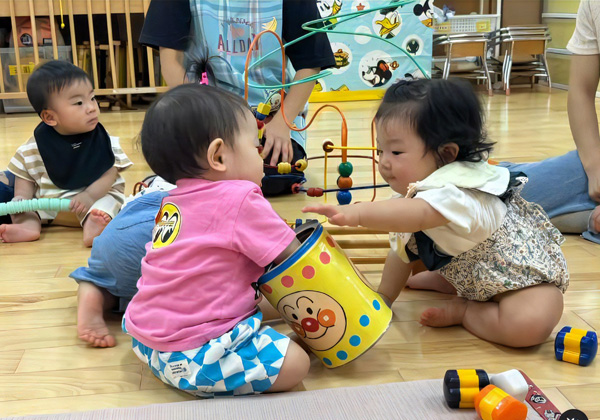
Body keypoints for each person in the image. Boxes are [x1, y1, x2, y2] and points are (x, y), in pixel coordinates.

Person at [303, 78, 569, 348]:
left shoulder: (460, 195)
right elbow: (401, 252)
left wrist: (358, 214)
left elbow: (417, 214)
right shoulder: (419, 196)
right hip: (477, 271)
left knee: (530, 325)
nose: (383, 162)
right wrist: (383, 298)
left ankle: (465, 310)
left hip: (523, 282)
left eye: (396, 151)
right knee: (408, 242)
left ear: (447, 154)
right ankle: (452, 281)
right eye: (381, 149)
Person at [122, 83, 309, 396]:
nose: (261, 157)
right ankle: (208, 375)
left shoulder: (171, 201)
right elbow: (295, 256)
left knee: (269, 302)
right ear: (219, 156)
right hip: (195, 354)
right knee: (297, 363)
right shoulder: (240, 198)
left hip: (146, 339)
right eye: (256, 148)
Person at [138, 0, 335, 194]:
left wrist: (283, 122)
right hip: (204, 113)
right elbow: (170, 61)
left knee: (274, 175)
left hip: (270, 115)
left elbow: (310, 65)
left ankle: (197, 182)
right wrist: (200, 122)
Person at [0, 60, 132, 246]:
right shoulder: (34, 147)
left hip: (92, 202)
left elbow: (110, 173)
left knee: (109, 203)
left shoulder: (103, 140)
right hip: (48, 205)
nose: (92, 107)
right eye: (79, 103)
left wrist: (90, 196)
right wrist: (22, 198)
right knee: (21, 208)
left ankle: (94, 226)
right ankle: (27, 227)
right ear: (50, 117)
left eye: (92, 98)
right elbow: (25, 175)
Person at [70, 176, 175, 348]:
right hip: (166, 226)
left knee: (108, 283)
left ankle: (94, 290)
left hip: (117, 239)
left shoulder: (140, 195)